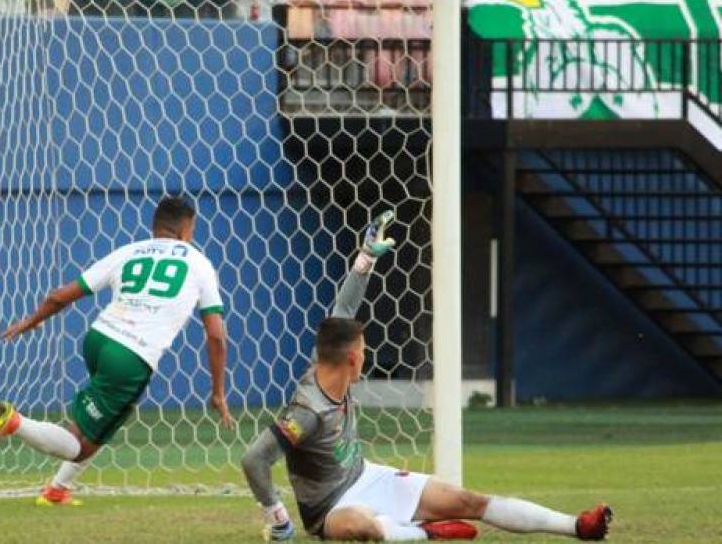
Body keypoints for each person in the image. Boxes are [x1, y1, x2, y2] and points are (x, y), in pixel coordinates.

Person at [241, 210, 613, 541]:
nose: (368, 354)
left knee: (468, 499)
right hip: (331, 510)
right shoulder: (306, 412)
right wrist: (278, 519)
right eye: (365, 350)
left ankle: (577, 526)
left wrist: (366, 257)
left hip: (368, 477)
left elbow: (344, 307)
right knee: (362, 527)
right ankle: (424, 534)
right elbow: (254, 459)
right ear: (353, 359)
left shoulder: (325, 358)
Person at [0, 196, 233, 505]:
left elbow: (60, 295)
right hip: (131, 357)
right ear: (187, 230)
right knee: (76, 444)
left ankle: (57, 490)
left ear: (154, 226)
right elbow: (216, 335)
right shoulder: (199, 263)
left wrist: (32, 320)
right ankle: (13, 422)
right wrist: (218, 392)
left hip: (98, 339)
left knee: (108, 420)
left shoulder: (129, 252)